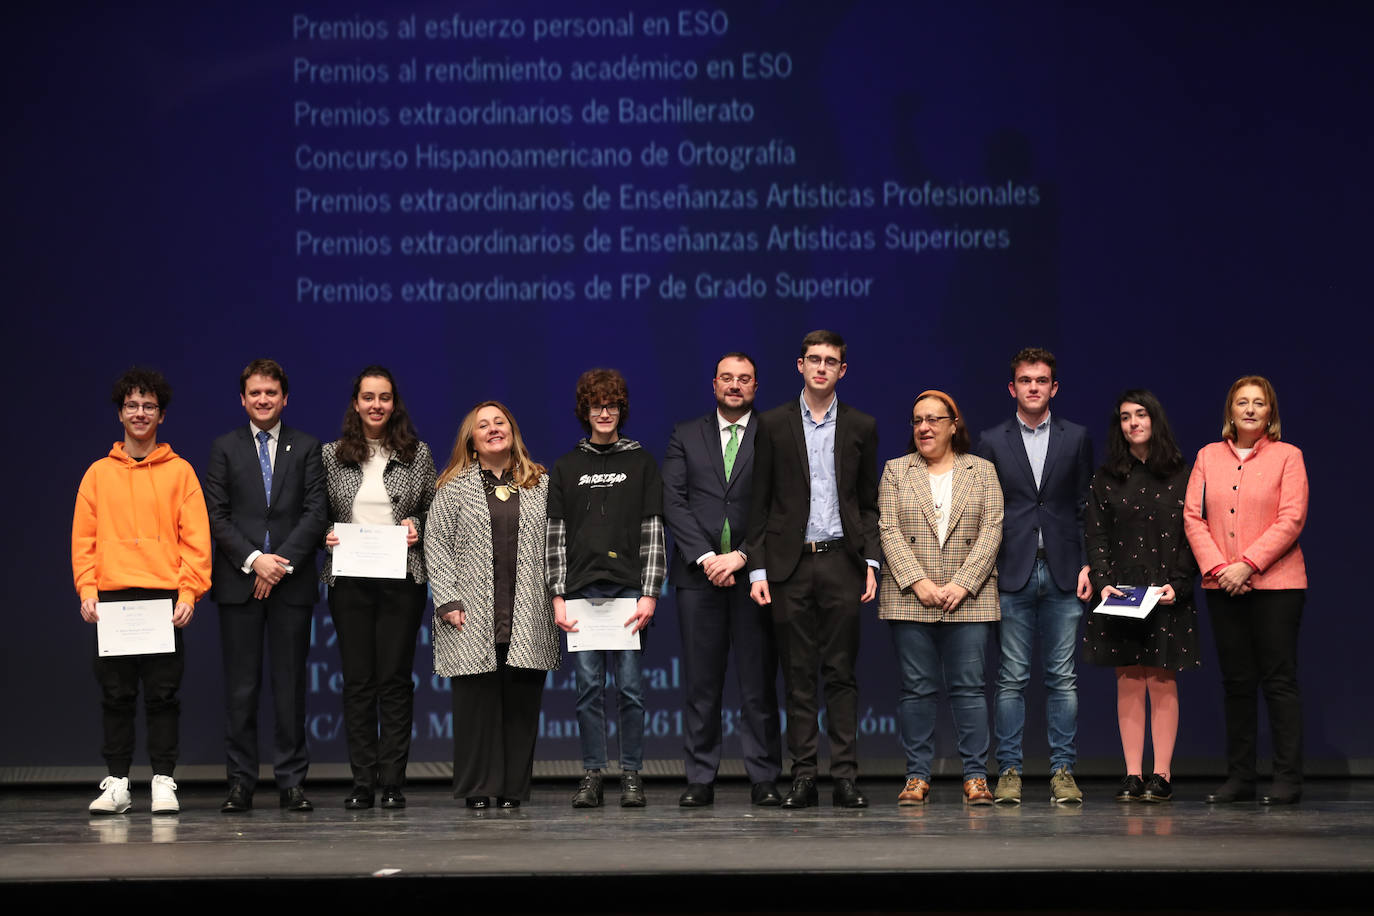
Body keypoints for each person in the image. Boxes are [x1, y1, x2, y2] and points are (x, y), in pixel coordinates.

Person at [746, 329, 880, 809]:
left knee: (841, 673)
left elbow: (867, 502)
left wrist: (871, 561)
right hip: (790, 565)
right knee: (798, 674)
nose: (821, 367)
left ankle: (844, 777)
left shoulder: (861, 425)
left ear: (842, 370)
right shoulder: (772, 423)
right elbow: (759, 504)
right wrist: (757, 570)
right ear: (799, 365)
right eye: (813, 359)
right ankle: (803, 776)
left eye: (830, 361)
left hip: (843, 561)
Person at [72, 368, 212, 815]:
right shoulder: (97, 475)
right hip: (112, 600)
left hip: (163, 600)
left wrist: (189, 593)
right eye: (132, 405)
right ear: (120, 413)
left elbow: (196, 540)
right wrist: (87, 588)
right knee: (115, 696)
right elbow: (84, 540)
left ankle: (163, 781)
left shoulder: (181, 473)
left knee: (162, 696)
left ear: (161, 415)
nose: (140, 413)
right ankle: (117, 783)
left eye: (149, 406)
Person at [205, 358, 327, 813]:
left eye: (271, 393)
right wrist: (256, 561)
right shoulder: (224, 448)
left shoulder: (307, 447)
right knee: (241, 690)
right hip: (239, 585)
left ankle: (291, 783)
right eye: (255, 393)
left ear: (285, 398)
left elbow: (315, 513)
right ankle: (240, 783)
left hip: (290, 586)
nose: (263, 400)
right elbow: (217, 515)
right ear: (243, 399)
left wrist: (279, 565)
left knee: (289, 687)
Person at [663, 352, 783, 808]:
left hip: (756, 577)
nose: (735, 385)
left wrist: (743, 555)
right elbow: (673, 500)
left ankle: (764, 777)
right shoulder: (685, 434)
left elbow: (781, 502)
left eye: (744, 379)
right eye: (727, 378)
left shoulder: (773, 432)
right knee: (701, 685)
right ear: (714, 384)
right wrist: (709, 557)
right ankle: (699, 778)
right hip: (699, 577)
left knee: (758, 685)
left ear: (756, 386)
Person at [428, 401, 559, 809]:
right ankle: (478, 788)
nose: (492, 429)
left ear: (512, 431)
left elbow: (558, 543)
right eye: (482, 425)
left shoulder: (541, 484)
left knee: (521, 705)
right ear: (471, 440)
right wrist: (447, 599)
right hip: (469, 614)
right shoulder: (453, 487)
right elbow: (436, 543)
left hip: (528, 612)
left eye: (499, 422)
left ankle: (512, 790)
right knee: (475, 706)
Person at [976, 347, 1093, 804]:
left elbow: (1084, 506)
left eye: (1041, 380)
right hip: (1012, 570)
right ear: (1012, 388)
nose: (1033, 387)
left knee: (1062, 678)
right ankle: (1009, 771)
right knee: (1011, 678)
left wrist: (1087, 562)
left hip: (1064, 570)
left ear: (1054, 387)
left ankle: (1063, 770)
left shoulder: (1076, 437)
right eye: (1025, 380)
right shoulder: (991, 440)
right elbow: (985, 510)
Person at [1185, 376, 1308, 805]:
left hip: (1277, 586)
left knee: (1278, 681)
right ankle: (1240, 777)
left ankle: (1287, 779)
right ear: (1230, 411)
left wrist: (1247, 564)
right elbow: (1193, 517)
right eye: (1242, 402)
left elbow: (1291, 518)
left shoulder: (1288, 457)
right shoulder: (1207, 456)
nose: (1251, 409)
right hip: (1222, 585)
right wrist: (1222, 569)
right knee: (1237, 682)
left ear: (1270, 413)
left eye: (1259, 403)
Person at [547, 369, 666, 808]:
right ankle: (593, 774)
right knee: (587, 691)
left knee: (630, 689)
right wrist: (557, 594)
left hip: (628, 592)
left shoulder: (641, 463)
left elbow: (653, 530)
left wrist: (650, 591)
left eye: (611, 406)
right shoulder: (566, 466)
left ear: (621, 410)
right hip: (580, 593)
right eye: (596, 406)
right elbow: (554, 536)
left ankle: (631, 774)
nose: (604, 413)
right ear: (585, 411)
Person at [878, 390, 1003, 805]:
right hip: (911, 597)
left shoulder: (981, 470)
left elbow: (992, 529)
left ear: (953, 425)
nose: (924, 428)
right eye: (917, 420)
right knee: (916, 689)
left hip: (969, 597)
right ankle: (917, 776)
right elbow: (889, 529)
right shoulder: (896, 470)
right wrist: (918, 582)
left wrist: (963, 583)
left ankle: (976, 777)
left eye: (933, 419)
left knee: (969, 689)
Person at [321, 366, 436, 810]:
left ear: (394, 403)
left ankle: (392, 782)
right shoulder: (332, 455)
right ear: (356, 403)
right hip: (349, 580)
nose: (376, 405)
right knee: (358, 682)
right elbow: (317, 513)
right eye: (368, 397)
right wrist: (326, 534)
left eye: (384, 397)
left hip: (400, 580)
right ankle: (362, 782)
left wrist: (417, 525)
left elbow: (433, 508)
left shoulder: (416, 454)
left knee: (394, 680)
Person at [1083, 390, 1199, 803]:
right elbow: (1095, 534)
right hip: (1122, 590)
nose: (1133, 422)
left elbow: (1193, 534)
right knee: (1130, 677)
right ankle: (1133, 774)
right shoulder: (1106, 477)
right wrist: (1102, 580)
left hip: (1166, 588)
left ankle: (1161, 774)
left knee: (1162, 677)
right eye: (1125, 417)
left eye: (1141, 414)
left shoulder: (1184, 474)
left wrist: (1179, 584)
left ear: (1155, 420)